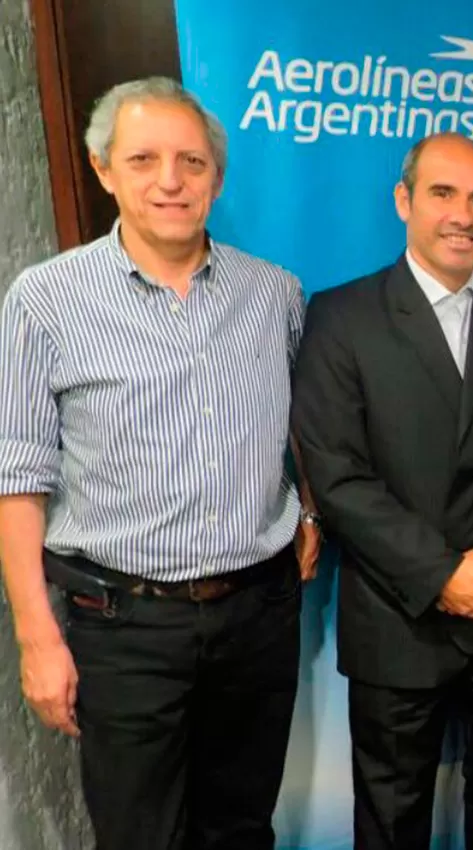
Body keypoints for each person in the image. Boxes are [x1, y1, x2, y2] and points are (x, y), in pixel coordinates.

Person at [0, 77, 319, 850]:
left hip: (257, 614)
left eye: (192, 161)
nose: (170, 181)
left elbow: (307, 427)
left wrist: (308, 510)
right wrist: (37, 640)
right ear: (103, 169)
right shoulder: (44, 300)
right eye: (143, 159)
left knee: (241, 827)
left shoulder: (274, 293)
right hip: (122, 626)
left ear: (218, 175)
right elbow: (17, 480)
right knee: (140, 834)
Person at [291, 132, 473, 850]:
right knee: (390, 822)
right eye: (443, 194)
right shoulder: (340, 317)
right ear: (404, 201)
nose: (463, 214)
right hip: (398, 620)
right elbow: (336, 474)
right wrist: (441, 573)